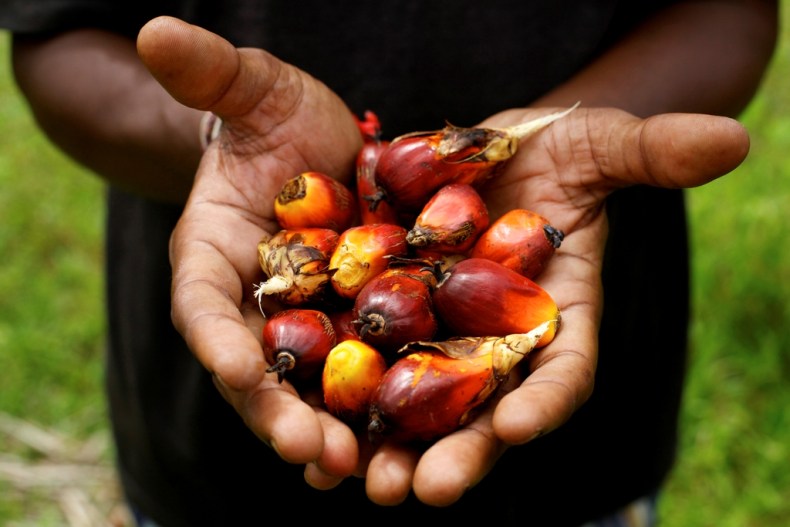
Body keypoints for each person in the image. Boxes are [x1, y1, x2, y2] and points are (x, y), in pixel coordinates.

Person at [1, 1, 778, 526]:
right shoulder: (360, 283)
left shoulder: (407, 269)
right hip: (207, 452)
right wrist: (219, 138)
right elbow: (54, 39)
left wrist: (579, 144)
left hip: (583, 443)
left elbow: (730, 16)